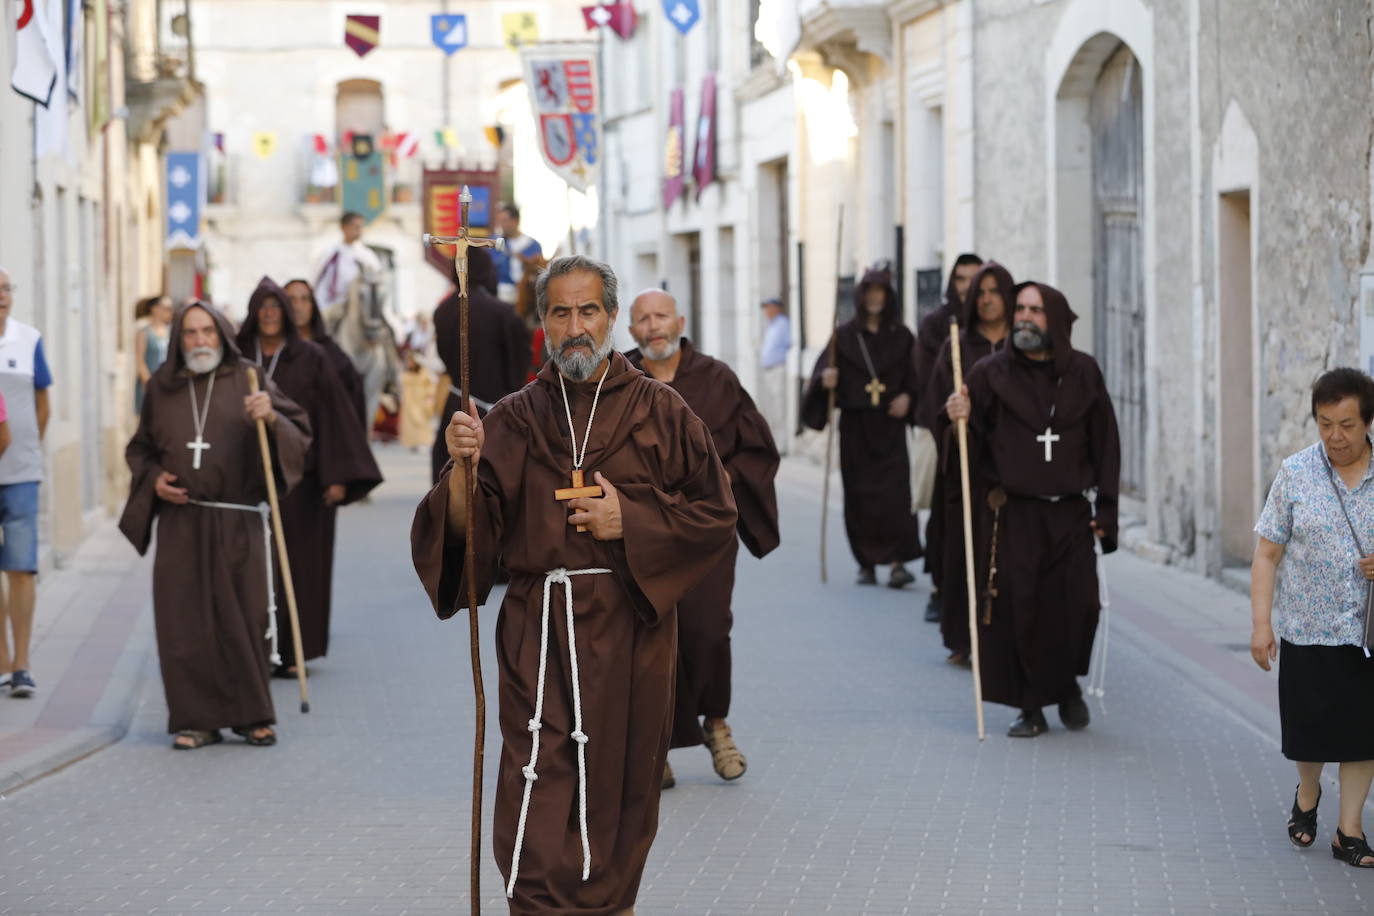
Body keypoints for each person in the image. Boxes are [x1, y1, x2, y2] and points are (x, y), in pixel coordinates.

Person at [411, 255, 737, 915]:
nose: (576, 326)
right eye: (560, 312)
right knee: (537, 790)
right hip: (540, 635)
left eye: (588, 310)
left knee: (617, 796)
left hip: (631, 635)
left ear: (612, 318)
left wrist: (633, 522)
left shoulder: (661, 411)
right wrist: (460, 471)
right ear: (543, 323)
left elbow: (715, 517)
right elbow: (472, 529)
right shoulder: (510, 417)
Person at [119, 301, 311, 748]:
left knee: (243, 620)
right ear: (178, 339)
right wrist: (153, 481)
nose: (200, 340)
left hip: (236, 520)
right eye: (190, 333)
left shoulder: (248, 378)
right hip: (181, 522)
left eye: (207, 331)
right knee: (183, 625)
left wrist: (272, 418)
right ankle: (195, 720)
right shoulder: (162, 389)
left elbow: (298, 432)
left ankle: (251, 717)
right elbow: (140, 449)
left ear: (221, 335)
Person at [945, 280, 1120, 737]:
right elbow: (969, 451)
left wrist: (1109, 509)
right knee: (1023, 609)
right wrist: (959, 419)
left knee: (1079, 608)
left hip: (1070, 514)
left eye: (1035, 310)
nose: (1024, 316)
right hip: (1015, 514)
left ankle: (1065, 686)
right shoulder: (988, 374)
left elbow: (1106, 445)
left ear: (1055, 319)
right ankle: (1031, 707)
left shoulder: (1083, 372)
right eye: (1020, 308)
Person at [626, 289, 780, 790]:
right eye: (643, 319)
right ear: (630, 331)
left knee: (708, 629)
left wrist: (727, 480)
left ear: (681, 322)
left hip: (706, 531)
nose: (654, 326)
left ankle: (716, 725)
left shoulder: (716, 378)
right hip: (641, 533)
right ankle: (658, 746)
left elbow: (756, 446)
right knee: (649, 635)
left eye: (662, 316)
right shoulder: (617, 380)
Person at [1251, 368, 1374, 868]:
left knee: (1364, 733)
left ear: (1368, 421)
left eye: (1346, 424)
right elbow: (1266, 554)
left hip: (1366, 633)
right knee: (1312, 731)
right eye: (1325, 424)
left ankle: (1349, 831)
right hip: (1307, 627)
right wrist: (1262, 624)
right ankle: (1307, 794)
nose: (1335, 437)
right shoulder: (1297, 473)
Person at [236, 278, 382, 678]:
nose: (270, 313)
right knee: (251, 564)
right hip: (248, 478)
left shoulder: (314, 357)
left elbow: (335, 416)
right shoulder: (237, 357)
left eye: (276, 306)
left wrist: (337, 477)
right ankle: (253, 647)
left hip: (306, 477)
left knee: (300, 567)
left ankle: (294, 648)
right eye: (262, 306)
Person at [801, 264, 922, 588]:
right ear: (860, 296)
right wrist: (825, 381)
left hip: (890, 426)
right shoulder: (844, 336)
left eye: (880, 291)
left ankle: (897, 563)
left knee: (896, 496)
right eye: (869, 292)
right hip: (855, 426)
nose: (874, 298)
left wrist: (909, 397)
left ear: (888, 296)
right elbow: (821, 373)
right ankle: (866, 562)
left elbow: (917, 377)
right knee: (859, 496)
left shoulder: (903, 336)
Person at [924, 262, 1014, 665]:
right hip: (972, 471)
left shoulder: (1025, 345)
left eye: (995, 291)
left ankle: (1009, 635)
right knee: (968, 552)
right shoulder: (958, 348)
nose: (988, 299)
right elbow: (934, 409)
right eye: (981, 292)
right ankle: (967, 637)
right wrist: (952, 415)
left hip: (1020, 471)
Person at [917, 253, 984, 622]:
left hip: (992, 446)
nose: (969, 287)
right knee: (946, 518)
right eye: (962, 279)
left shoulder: (999, 328)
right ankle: (942, 587)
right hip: (948, 437)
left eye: (977, 280)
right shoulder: (938, 326)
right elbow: (928, 382)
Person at [430, 245, 530, 483]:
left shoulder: (442, 311)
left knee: (451, 484)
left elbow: (444, 358)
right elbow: (518, 367)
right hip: (498, 412)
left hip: (456, 407)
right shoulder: (504, 313)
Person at [0, 266, 52, 699]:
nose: (1, 296)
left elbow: (42, 406)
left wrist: (26, 451)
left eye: (5, 288)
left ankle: (22, 664)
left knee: (21, 566)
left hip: (20, 475)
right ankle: (0, 660)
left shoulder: (29, 339)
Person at [284, 278, 367, 426]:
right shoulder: (274, 351)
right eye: (292, 300)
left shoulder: (330, 352)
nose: (298, 307)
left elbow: (353, 391)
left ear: (312, 305)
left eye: (304, 300)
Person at [313, 211, 382, 318]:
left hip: (361, 307)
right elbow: (318, 281)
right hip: (333, 304)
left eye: (361, 227)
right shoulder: (330, 254)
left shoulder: (367, 256)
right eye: (355, 227)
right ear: (344, 227)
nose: (359, 231)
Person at [758, 296, 792, 450]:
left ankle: (782, 443)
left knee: (779, 407)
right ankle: (774, 441)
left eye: (769, 307)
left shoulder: (783, 324)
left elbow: (789, 344)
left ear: (777, 308)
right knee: (771, 408)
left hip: (778, 369)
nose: (766, 311)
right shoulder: (771, 325)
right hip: (769, 370)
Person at [493, 202, 544, 306]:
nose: (502, 225)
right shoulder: (495, 243)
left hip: (526, 298)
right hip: (500, 297)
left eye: (505, 221)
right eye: (500, 221)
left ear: (515, 221)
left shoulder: (533, 245)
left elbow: (540, 274)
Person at [134, 295, 173, 414]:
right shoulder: (144, 333)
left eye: (170, 308)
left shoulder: (170, 331)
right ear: (154, 309)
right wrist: (151, 384)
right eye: (165, 307)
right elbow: (140, 362)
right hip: (149, 383)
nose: (168, 311)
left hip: (167, 383)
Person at [399, 350, 437, 452]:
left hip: (421, 400)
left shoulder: (424, 372)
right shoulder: (406, 372)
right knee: (409, 422)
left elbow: (430, 385)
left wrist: (429, 397)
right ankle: (412, 443)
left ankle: (423, 442)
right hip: (409, 400)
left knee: (421, 421)